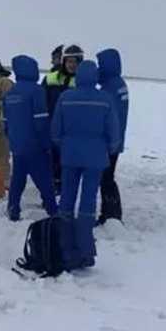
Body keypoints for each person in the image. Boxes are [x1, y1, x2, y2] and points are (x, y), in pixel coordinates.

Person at [51, 60, 121, 269]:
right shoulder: (105, 99)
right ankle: (85, 250)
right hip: (95, 157)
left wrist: (63, 146)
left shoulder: (65, 97)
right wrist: (110, 149)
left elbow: (55, 130)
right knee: (88, 201)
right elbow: (113, 130)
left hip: (70, 155)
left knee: (67, 197)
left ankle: (64, 245)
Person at [2, 55, 58, 221]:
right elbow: (41, 121)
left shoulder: (9, 93)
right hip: (35, 145)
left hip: (17, 144)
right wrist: (46, 143)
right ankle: (53, 209)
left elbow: (6, 122)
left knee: (18, 178)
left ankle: (13, 207)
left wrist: (13, 140)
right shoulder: (37, 91)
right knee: (44, 178)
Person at [42, 44, 84, 190]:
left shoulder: (83, 82)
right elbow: (42, 101)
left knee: (66, 160)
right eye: (69, 61)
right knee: (51, 159)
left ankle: (63, 185)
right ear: (64, 61)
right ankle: (53, 184)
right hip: (51, 126)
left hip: (71, 130)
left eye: (75, 62)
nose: (72, 65)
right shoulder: (50, 78)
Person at [95, 48, 130, 224]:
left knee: (106, 178)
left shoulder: (109, 89)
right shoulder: (119, 84)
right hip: (116, 140)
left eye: (100, 65)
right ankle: (110, 213)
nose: (98, 68)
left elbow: (107, 117)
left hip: (108, 142)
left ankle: (111, 215)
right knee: (108, 177)